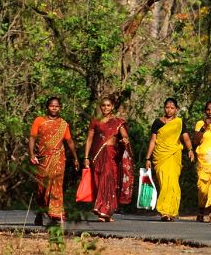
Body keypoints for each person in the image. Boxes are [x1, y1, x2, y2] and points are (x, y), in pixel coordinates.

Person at [28, 97, 79, 226]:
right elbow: (32, 138)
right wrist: (32, 154)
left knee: (56, 183)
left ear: (60, 108)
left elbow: (70, 142)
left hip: (58, 158)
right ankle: (40, 212)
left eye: (56, 106)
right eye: (52, 106)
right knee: (41, 188)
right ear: (47, 107)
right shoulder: (39, 121)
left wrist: (76, 158)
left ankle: (55, 214)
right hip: (42, 158)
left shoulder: (63, 124)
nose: (54, 108)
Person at [83, 95, 133, 222]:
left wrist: (124, 140)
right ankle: (105, 212)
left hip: (111, 155)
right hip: (97, 155)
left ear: (112, 107)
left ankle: (104, 211)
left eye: (108, 105)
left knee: (108, 180)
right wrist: (86, 156)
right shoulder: (95, 121)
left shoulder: (118, 122)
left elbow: (125, 137)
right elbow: (89, 139)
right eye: (103, 105)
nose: (106, 107)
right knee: (98, 181)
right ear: (100, 107)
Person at [144, 97, 195, 221]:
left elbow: (186, 138)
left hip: (173, 155)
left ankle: (170, 212)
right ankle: (164, 211)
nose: (169, 110)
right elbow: (152, 141)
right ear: (164, 108)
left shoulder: (179, 123)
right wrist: (148, 158)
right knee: (164, 182)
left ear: (176, 110)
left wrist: (190, 150)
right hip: (160, 156)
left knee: (172, 183)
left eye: (172, 108)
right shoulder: (157, 122)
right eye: (167, 107)